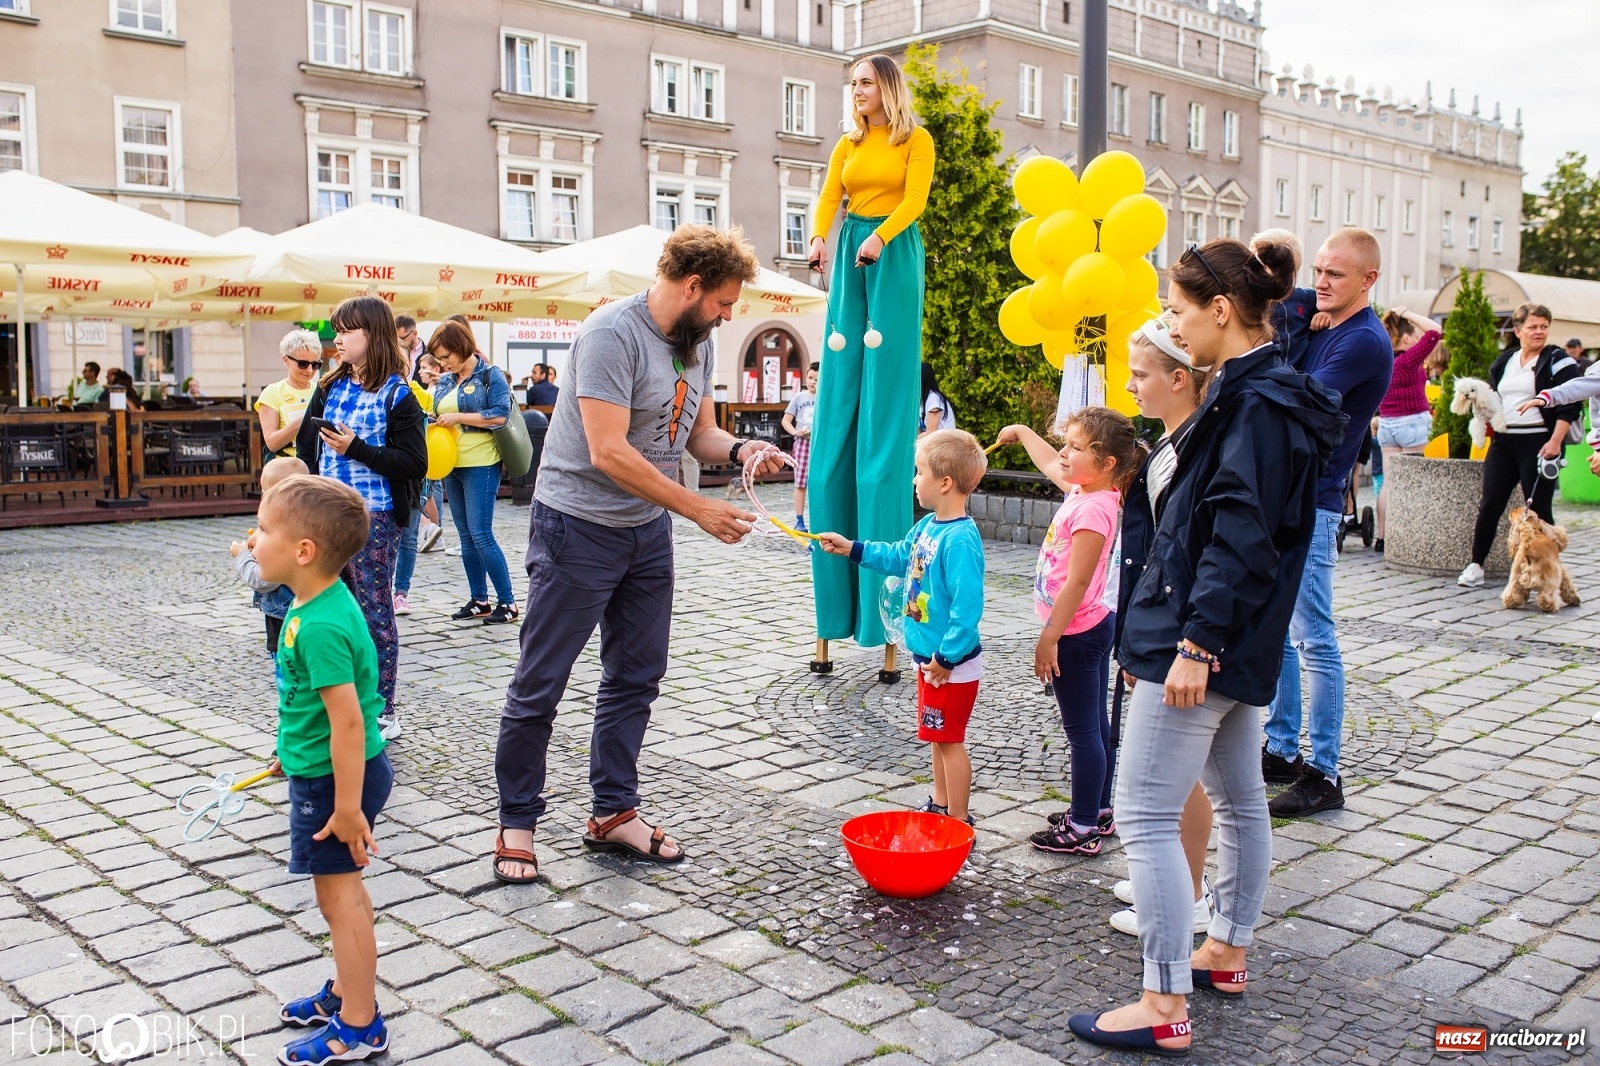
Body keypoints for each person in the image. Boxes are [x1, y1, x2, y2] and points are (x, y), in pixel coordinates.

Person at [1069, 238, 1344, 1056]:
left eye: (1183, 310)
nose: (1177, 325)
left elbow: (1239, 533)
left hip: (1201, 644)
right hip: (1231, 641)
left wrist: (1194, 643)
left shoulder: (1255, 404)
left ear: (1220, 310)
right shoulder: (1259, 392)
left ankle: (1162, 1001)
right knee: (1237, 799)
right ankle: (1223, 949)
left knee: (1148, 815)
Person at [491, 225, 781, 883]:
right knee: (542, 682)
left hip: (646, 532)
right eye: (724, 302)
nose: (729, 316)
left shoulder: (696, 344)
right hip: (577, 527)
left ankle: (613, 812)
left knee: (636, 676)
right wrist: (698, 507)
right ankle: (516, 822)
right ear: (691, 285)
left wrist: (741, 452)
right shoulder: (609, 335)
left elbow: (699, 432)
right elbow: (609, 450)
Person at [254, 475, 394, 1066]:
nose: (253, 540)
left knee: (339, 900)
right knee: (346, 894)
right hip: (326, 773)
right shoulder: (311, 603)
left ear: (303, 551)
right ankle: (346, 989)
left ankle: (361, 1024)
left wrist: (345, 807)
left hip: (337, 783)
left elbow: (349, 725)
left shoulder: (321, 625)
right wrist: (287, 753)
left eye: (263, 530)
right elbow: (308, 705)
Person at [1262, 228, 1391, 820]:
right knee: (1283, 633)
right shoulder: (1322, 322)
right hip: (1287, 495)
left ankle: (1325, 771)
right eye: (1317, 271)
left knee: (1315, 636)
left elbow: (1294, 399)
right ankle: (1283, 747)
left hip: (1316, 502)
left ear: (1368, 279)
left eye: (1335, 275)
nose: (1320, 283)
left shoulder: (1363, 340)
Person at [808, 53, 936, 649]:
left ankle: (879, 619)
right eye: (853, 83)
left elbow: (914, 201)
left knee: (885, 386)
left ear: (887, 88)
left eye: (866, 82)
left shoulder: (916, 140)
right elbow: (831, 197)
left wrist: (881, 238)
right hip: (853, 248)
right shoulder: (849, 143)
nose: (857, 91)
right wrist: (816, 240)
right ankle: (836, 615)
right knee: (840, 376)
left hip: (894, 248)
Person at [1103, 317, 1215, 938]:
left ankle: (1186, 893)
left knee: (1175, 777)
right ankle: (1175, 876)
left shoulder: (1189, 452)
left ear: (1178, 379)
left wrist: (1170, 645)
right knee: (1181, 773)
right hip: (1158, 629)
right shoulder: (1171, 446)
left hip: (1178, 636)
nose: (1131, 385)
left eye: (1140, 375)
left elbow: (1183, 560)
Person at [818, 430, 987, 824]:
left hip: (950, 665)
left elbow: (967, 609)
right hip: (929, 659)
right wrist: (851, 547)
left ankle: (959, 821)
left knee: (949, 741)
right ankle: (941, 805)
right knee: (935, 736)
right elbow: (898, 557)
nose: (914, 480)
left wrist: (947, 657)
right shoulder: (928, 526)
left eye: (919, 472)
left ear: (944, 483)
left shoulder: (960, 540)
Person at [996, 409, 1139, 856]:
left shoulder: (1096, 508)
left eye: (1076, 448)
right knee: (1096, 725)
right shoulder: (1089, 488)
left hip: (1075, 632)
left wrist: (1050, 636)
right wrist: (1019, 430)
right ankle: (1097, 810)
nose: (1064, 453)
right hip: (1090, 625)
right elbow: (1049, 463)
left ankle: (1081, 828)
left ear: (1107, 463)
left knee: (1083, 732)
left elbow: (1077, 581)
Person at [295, 296, 428, 743]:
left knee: (373, 611)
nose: (338, 339)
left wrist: (356, 449)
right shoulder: (332, 383)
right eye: (337, 330)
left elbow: (414, 463)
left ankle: (382, 708)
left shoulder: (398, 394)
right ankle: (340, 702)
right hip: (328, 514)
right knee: (332, 611)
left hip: (376, 518)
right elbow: (306, 446)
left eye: (347, 331)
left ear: (371, 335)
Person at [1458, 303, 1581, 589]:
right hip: (1504, 440)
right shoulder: (1505, 361)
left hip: (1539, 441)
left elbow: (1570, 404)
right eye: (1532, 326)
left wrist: (1555, 441)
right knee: (1490, 504)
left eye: (1543, 326)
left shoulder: (1559, 361)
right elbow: (1494, 398)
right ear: (1518, 330)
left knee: (1539, 510)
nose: (1539, 332)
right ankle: (1476, 565)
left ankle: (1550, 572)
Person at [428, 320, 519, 625]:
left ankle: (507, 602)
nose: (443, 363)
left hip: (481, 461)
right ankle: (479, 599)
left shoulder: (489, 374)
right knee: (465, 536)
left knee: (481, 534)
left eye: (446, 355)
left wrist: (457, 416)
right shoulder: (445, 380)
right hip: (451, 463)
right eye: (439, 358)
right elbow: (439, 412)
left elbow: (500, 414)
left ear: (461, 345)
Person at [1373, 307, 1445, 551]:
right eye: (1413, 336)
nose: (1417, 340)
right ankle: (1410, 535)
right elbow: (1435, 332)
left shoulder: (1382, 362)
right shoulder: (1408, 359)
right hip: (1412, 424)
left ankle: (1382, 537)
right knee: (1414, 481)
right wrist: (1407, 313)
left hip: (1386, 425)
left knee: (1388, 483)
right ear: (1406, 338)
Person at [230, 456, 310, 656]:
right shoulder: (304, 526)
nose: (262, 497)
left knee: (290, 674)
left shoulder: (283, 538)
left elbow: (263, 579)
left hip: (285, 622)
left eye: (265, 492)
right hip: (301, 617)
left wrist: (241, 557)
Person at [392, 355, 445, 617]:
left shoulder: (419, 394)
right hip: (388, 473)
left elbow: (436, 416)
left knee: (409, 538)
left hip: (415, 474)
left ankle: (401, 593)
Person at [1250, 229, 1326, 367]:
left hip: (1295, 375)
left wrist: (1325, 314)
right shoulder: (1253, 300)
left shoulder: (1307, 298)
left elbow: (1332, 307)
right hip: (1262, 376)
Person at [257, 331, 324, 460]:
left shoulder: (321, 390)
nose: (310, 370)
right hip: (287, 466)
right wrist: (303, 421)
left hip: (318, 465)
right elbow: (271, 443)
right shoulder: (272, 393)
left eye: (315, 365)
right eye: (303, 364)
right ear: (286, 360)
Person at [781, 363, 820, 530]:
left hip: (819, 444)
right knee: (800, 483)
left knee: (818, 482)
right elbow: (786, 420)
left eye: (817, 379)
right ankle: (799, 520)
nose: (813, 382)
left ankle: (818, 520)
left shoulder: (824, 398)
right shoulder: (799, 397)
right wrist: (795, 432)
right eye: (810, 378)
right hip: (803, 444)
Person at [919, 360, 956, 435]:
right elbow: (918, 431)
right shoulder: (921, 401)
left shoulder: (934, 399)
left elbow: (930, 434)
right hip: (933, 444)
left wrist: (910, 442)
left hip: (944, 444)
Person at [396, 315, 423, 379]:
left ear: (415, 333)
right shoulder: (394, 352)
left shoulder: (429, 353)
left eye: (402, 338)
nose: (398, 341)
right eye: (396, 338)